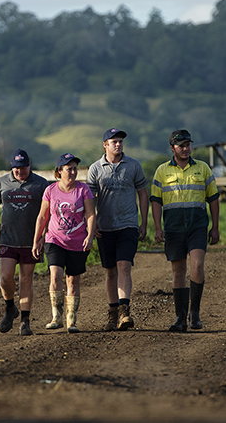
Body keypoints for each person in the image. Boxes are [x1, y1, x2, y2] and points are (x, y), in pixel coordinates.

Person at [150, 129, 220, 332]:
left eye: (188, 145)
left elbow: (213, 198)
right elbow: (156, 201)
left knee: (197, 265)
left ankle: (194, 314)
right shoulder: (162, 171)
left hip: (197, 226)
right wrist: (157, 228)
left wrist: (215, 227)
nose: (186, 149)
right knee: (178, 271)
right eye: (181, 146)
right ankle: (180, 318)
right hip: (173, 228)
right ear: (172, 148)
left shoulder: (203, 168)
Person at [87, 128, 149, 331]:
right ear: (105, 145)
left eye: (120, 141)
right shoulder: (95, 169)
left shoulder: (134, 165)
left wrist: (144, 221)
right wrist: (92, 222)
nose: (118, 144)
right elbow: (90, 200)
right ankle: (112, 314)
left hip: (128, 225)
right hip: (105, 227)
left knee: (124, 266)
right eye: (114, 141)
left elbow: (142, 193)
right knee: (110, 272)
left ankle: (125, 312)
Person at [0, 149, 49, 336]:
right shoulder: (1, 182)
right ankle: (10, 307)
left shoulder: (40, 184)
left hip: (31, 241)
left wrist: (42, 238)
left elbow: (48, 213)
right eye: (15, 168)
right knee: (5, 278)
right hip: (7, 239)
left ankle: (25, 321)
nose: (19, 172)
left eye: (22, 168)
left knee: (26, 280)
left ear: (29, 164)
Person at [32, 153, 96, 333]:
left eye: (75, 168)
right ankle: (56, 317)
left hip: (78, 242)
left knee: (73, 281)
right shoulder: (50, 190)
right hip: (54, 239)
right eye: (69, 169)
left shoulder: (84, 190)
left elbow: (90, 215)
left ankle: (71, 320)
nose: (73, 172)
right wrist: (37, 240)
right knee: (55, 275)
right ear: (59, 171)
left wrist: (90, 236)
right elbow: (42, 216)